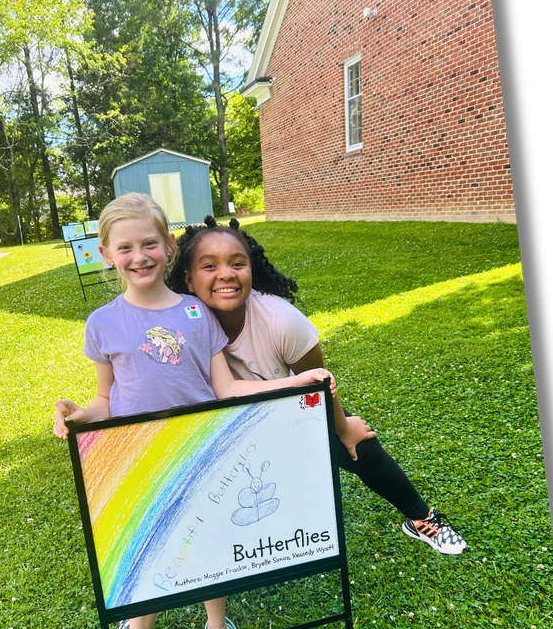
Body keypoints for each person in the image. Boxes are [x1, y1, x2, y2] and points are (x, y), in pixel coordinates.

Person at [53, 194, 344, 629]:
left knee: (207, 542)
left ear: (168, 247)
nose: (138, 256)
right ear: (105, 254)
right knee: (140, 555)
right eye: (125, 247)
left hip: (202, 447)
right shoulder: (102, 322)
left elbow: (227, 387)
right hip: (136, 456)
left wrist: (292, 381)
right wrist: (78, 416)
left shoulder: (195, 313)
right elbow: (103, 400)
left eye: (149, 244)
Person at [166, 216, 468, 556]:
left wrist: (343, 427)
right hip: (225, 420)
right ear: (189, 279)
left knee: (361, 446)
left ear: (251, 270)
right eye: (209, 266)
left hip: (287, 408)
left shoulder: (281, 320)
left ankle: (421, 518)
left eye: (238, 263)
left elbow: (317, 383)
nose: (226, 274)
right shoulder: (178, 327)